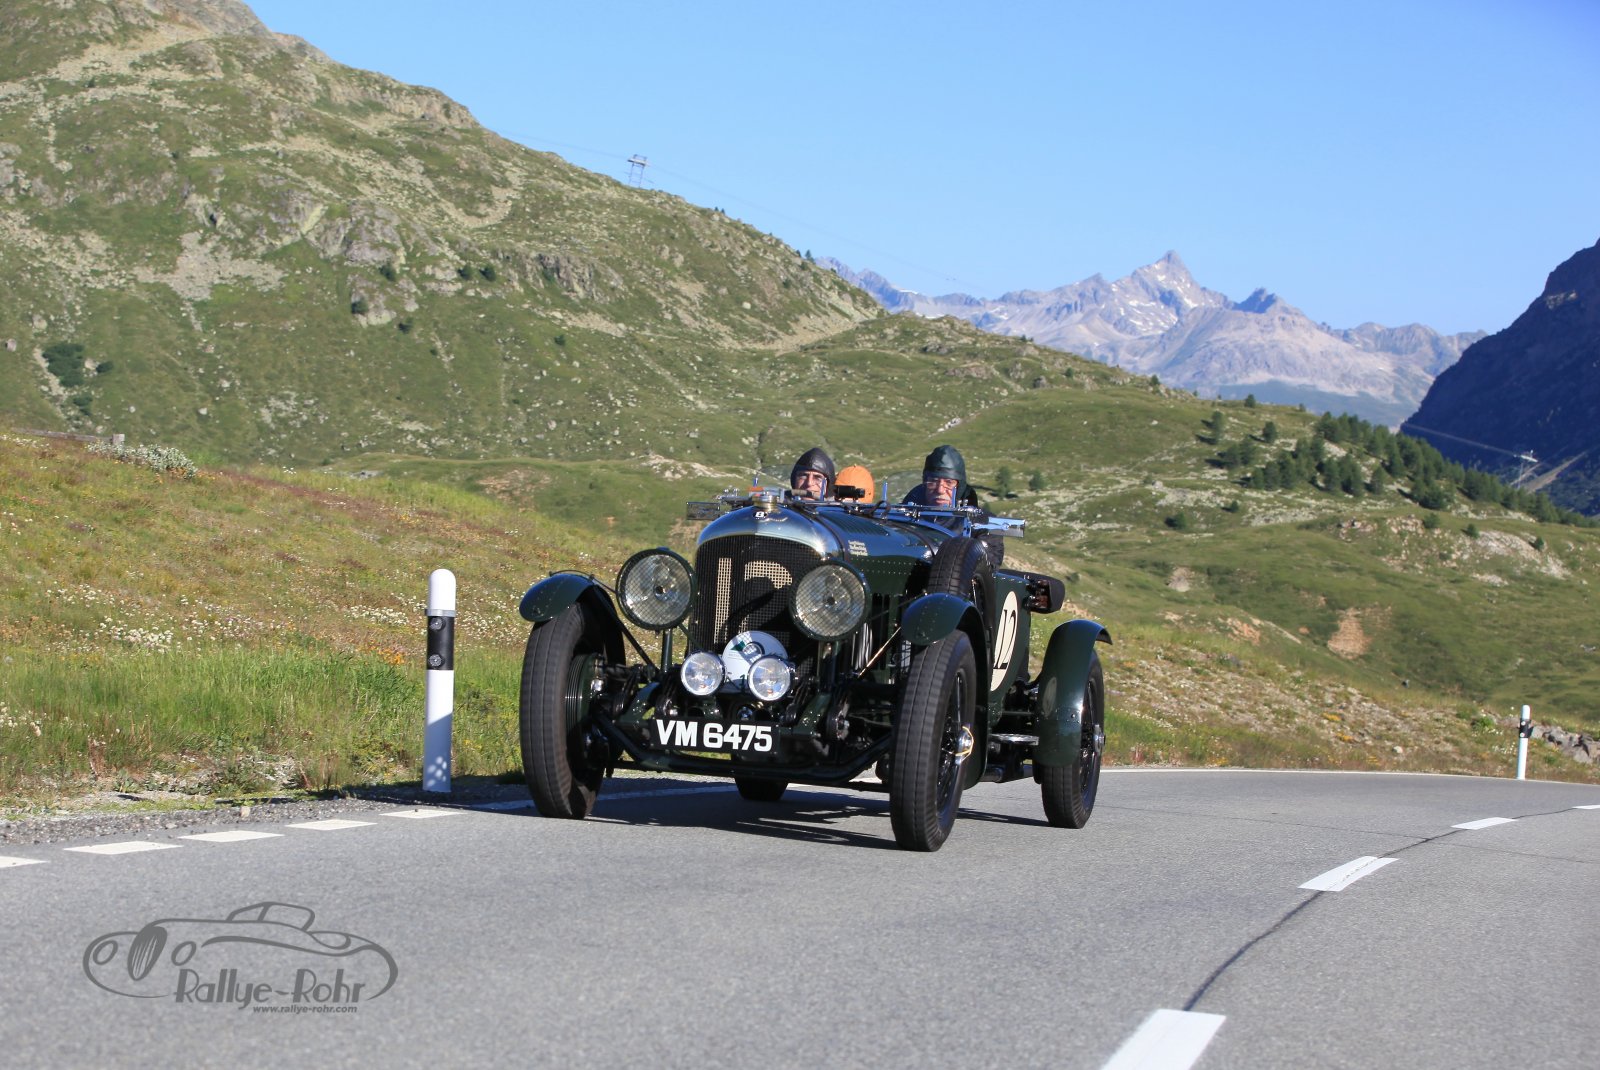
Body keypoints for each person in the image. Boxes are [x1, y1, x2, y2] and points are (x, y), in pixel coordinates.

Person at [901, 444, 980, 509]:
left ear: (960, 488)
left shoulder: (977, 521)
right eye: (933, 482)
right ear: (925, 485)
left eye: (949, 483)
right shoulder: (903, 517)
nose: (940, 490)